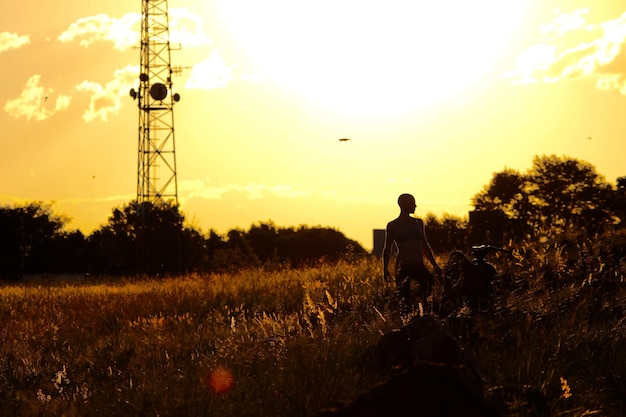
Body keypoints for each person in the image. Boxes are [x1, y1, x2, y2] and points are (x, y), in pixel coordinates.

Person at [383, 193, 442, 313]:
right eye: (412, 203)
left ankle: (423, 316)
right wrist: (385, 270)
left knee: (431, 286)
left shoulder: (418, 223)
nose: (415, 205)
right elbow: (387, 248)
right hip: (403, 267)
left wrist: (435, 265)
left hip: (418, 265)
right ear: (403, 204)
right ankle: (408, 322)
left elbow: (425, 245)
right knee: (405, 301)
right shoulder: (393, 225)